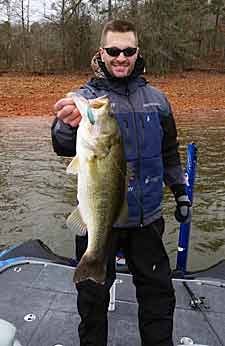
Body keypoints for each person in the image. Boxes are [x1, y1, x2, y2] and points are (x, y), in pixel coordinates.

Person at [51, 19, 191, 346]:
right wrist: (67, 125)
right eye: (113, 51)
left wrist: (181, 191)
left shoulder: (158, 99)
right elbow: (60, 143)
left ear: (137, 52)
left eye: (128, 51)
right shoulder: (86, 99)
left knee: (158, 299)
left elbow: (170, 151)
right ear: (102, 52)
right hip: (100, 219)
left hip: (148, 218)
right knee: (92, 302)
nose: (121, 57)